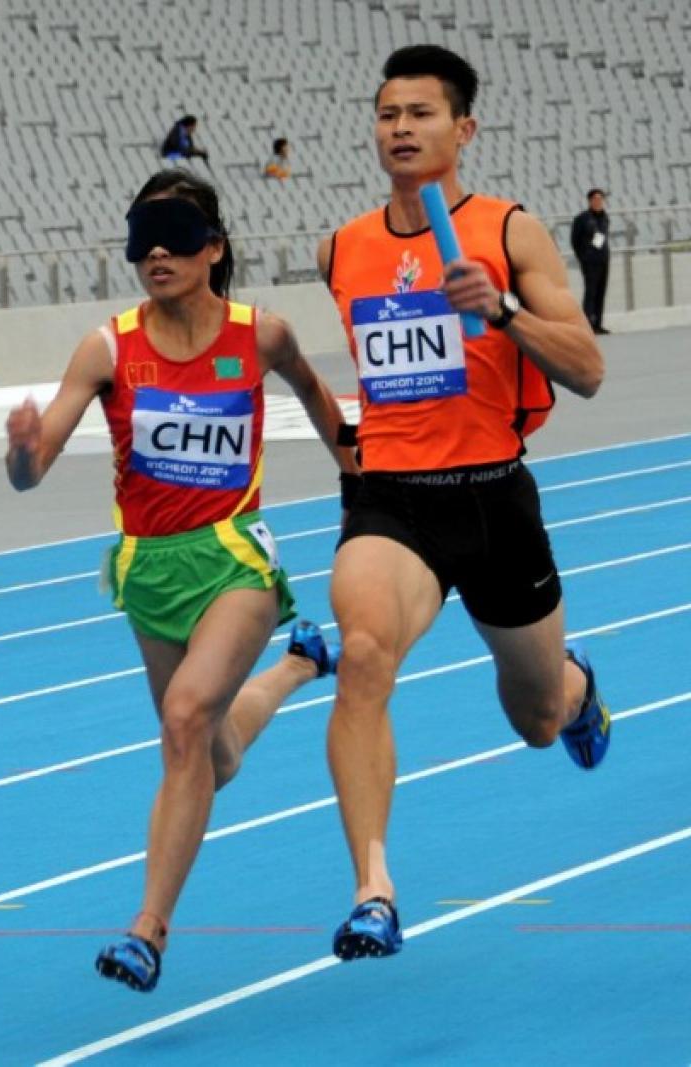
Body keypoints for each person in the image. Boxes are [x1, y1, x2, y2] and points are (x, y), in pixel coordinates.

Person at [5, 168, 353, 992]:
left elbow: (315, 396)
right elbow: (34, 468)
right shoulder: (107, 346)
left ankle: (148, 928)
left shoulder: (259, 334)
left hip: (234, 555)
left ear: (214, 248)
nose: (156, 251)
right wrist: (22, 449)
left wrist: (364, 481)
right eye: (142, 238)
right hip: (148, 569)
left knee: (187, 716)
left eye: (174, 234)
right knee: (214, 750)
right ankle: (300, 666)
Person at [317, 45, 612, 961]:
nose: (400, 128)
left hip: (494, 499)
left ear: (464, 129)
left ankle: (577, 686)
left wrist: (503, 314)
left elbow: (590, 371)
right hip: (396, 503)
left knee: (536, 720)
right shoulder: (343, 246)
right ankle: (374, 887)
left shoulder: (509, 230)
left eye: (421, 114)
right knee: (362, 652)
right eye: (387, 113)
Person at [570, 189, 611, 334]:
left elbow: (603, 238)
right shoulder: (582, 219)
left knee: (601, 291)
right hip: (590, 261)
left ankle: (598, 323)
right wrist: (583, 257)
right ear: (590, 201)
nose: (599, 202)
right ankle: (588, 324)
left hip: (603, 259)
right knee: (590, 292)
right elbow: (575, 241)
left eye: (601, 199)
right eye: (596, 199)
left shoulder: (605, 218)